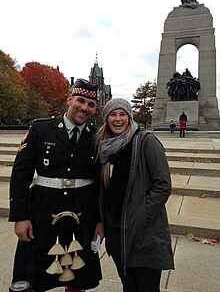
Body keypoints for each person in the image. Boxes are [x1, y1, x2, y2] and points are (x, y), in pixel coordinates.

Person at [9, 79, 104, 292]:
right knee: (35, 273)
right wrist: (21, 217)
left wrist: (99, 220)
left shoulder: (97, 135)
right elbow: (20, 175)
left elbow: (99, 182)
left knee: (78, 273)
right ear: (70, 99)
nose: (84, 108)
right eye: (80, 100)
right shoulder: (41, 128)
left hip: (83, 213)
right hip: (42, 211)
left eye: (91, 104)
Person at [95, 98, 174, 292]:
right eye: (113, 114)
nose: (118, 119)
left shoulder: (147, 141)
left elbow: (163, 185)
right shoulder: (104, 146)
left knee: (146, 286)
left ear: (130, 117)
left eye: (122, 114)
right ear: (106, 119)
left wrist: (142, 214)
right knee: (128, 285)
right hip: (115, 232)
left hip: (143, 233)